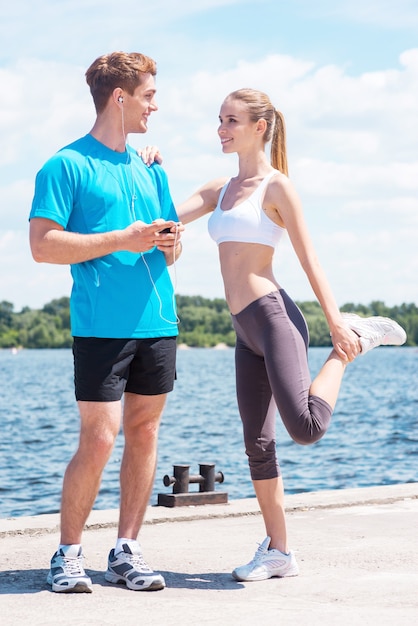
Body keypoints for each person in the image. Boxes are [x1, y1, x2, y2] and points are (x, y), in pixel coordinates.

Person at [176, 88, 406, 582]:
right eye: (219, 120)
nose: (221, 129)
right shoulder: (222, 187)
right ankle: (279, 551)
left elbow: (309, 258)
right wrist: (149, 163)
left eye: (231, 120)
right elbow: (168, 215)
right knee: (257, 444)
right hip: (243, 327)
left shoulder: (277, 188)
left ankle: (351, 350)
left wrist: (336, 322)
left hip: (275, 318)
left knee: (305, 428)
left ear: (259, 126)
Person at [29, 51, 183, 594]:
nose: (155, 105)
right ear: (120, 97)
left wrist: (169, 242)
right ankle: (68, 555)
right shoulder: (65, 165)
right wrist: (124, 238)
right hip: (100, 327)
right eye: (148, 95)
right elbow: (43, 246)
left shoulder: (150, 166)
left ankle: (127, 550)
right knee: (99, 439)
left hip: (158, 322)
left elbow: (170, 253)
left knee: (144, 433)